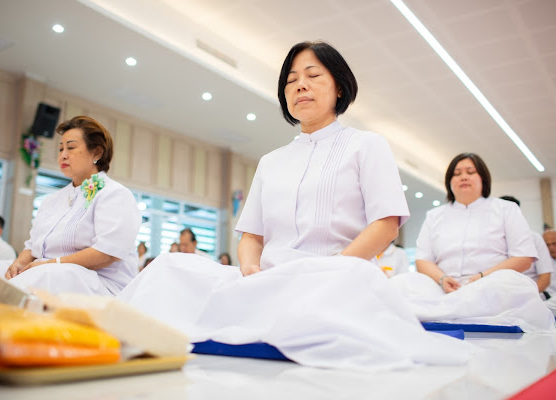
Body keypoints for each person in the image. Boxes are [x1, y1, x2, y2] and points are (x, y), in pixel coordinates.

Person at [118, 41, 471, 370]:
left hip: (338, 274)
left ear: (339, 88)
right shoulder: (271, 161)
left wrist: (335, 267)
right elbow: (251, 236)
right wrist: (250, 268)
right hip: (272, 278)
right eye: (291, 80)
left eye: (313, 76)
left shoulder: (366, 145)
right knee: (172, 266)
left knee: (319, 300)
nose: (300, 85)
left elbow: (386, 223)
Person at [389, 153, 553, 332]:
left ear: (483, 178)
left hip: (490, 285)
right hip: (444, 288)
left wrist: (482, 277)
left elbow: (523, 258)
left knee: (512, 282)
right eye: (457, 173)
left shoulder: (506, 209)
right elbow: (423, 260)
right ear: (449, 182)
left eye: (470, 172)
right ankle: (448, 313)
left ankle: (441, 314)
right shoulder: (434, 216)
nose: (463, 177)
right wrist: (442, 279)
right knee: (401, 283)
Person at [0, 116, 140, 296]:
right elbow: (33, 246)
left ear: (96, 152)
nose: (63, 155)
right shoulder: (52, 200)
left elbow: (108, 253)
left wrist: (52, 263)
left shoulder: (114, 194)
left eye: (71, 148)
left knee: (44, 277)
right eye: (60, 149)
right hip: (49, 272)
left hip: (100, 284)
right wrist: (19, 263)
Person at [500, 196, 554, 298]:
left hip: (532, 294)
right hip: (500, 295)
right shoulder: (491, 240)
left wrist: (525, 297)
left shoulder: (534, 238)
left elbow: (545, 279)